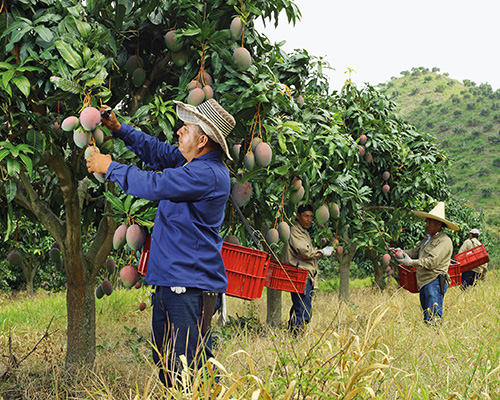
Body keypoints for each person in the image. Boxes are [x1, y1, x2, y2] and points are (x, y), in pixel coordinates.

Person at [86, 99, 235, 386]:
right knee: (166, 360)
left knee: (187, 365)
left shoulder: (207, 174)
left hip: (190, 286)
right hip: (171, 281)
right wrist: (119, 129)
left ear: (202, 140)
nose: (178, 131)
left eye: (186, 128)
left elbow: (156, 185)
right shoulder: (192, 162)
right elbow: (157, 152)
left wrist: (111, 167)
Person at [396, 201, 459, 324]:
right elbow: (416, 252)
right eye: (427, 221)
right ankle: (431, 339)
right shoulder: (428, 239)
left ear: (439, 224)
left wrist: (411, 262)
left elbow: (432, 262)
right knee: (427, 317)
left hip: (434, 281)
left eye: (430, 222)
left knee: (433, 318)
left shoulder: (444, 241)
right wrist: (401, 252)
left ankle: (436, 339)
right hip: (424, 282)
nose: (426, 224)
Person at [280, 204, 333, 335]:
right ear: (298, 216)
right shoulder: (295, 231)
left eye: (311, 216)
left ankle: (291, 336)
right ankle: (296, 339)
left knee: (299, 307)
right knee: (304, 312)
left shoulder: (304, 232)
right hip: (301, 276)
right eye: (305, 216)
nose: (309, 219)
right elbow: (305, 252)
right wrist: (322, 252)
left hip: (306, 276)